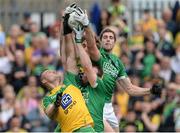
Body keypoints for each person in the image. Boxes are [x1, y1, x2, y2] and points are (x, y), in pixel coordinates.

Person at [71, 5, 161, 132]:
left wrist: (150, 90)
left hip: (109, 107)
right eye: (105, 37)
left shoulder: (117, 62)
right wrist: (86, 24)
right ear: (101, 42)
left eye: (111, 38)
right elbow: (91, 45)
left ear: (115, 42)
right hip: (96, 104)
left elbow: (129, 89)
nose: (108, 40)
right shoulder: (98, 55)